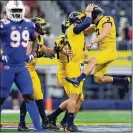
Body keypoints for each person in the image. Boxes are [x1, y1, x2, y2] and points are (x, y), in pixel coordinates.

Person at [0, 1, 44, 132]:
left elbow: (35, 38)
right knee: (1, 97)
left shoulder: (29, 24)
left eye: (18, 11)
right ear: (8, 11)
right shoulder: (3, 25)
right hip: (6, 67)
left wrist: (31, 53)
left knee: (29, 95)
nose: (16, 14)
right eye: (14, 11)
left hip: (21, 67)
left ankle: (38, 128)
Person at [65, 4, 130, 94]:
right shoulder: (96, 25)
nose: (91, 18)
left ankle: (78, 79)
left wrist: (92, 42)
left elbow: (104, 33)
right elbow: (84, 31)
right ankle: (123, 81)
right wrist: (70, 30)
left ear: (96, 14)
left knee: (92, 61)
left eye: (92, 15)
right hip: (104, 52)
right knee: (98, 79)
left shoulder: (107, 19)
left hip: (110, 51)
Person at [48, 4, 93, 132]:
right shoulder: (72, 30)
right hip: (70, 68)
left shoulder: (76, 34)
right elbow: (60, 47)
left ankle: (58, 119)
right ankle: (68, 124)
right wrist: (89, 13)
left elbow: (88, 28)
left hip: (76, 66)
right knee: (74, 98)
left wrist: (98, 27)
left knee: (79, 98)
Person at [18, 17, 57, 131]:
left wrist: (54, 50)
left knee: (37, 95)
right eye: (42, 25)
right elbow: (27, 54)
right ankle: (43, 122)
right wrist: (42, 55)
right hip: (24, 68)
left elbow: (42, 48)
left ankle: (39, 122)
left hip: (31, 69)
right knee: (30, 95)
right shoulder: (28, 37)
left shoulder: (38, 38)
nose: (44, 27)